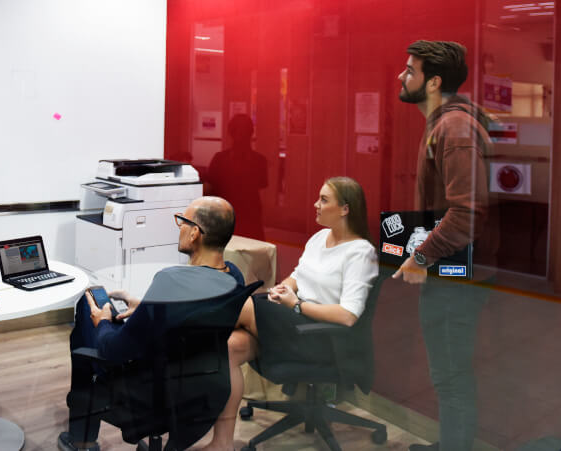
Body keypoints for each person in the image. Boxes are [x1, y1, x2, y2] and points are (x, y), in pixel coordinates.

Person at [201, 177, 378, 451]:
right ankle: (222, 443)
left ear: (345, 209)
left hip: (320, 338)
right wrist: (284, 288)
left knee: (237, 304)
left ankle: (174, 329)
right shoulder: (320, 238)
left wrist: (296, 305)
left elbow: (348, 316)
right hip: (293, 321)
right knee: (230, 347)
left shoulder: (361, 253)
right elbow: (299, 275)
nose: (316, 205)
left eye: (324, 200)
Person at [58, 196, 245, 451]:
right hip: (201, 388)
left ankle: (82, 439)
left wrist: (102, 322)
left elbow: (114, 350)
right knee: (106, 309)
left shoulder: (171, 280)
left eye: (182, 221)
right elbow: (188, 319)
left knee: (89, 302)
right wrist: (144, 307)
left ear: (194, 234)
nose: (178, 226)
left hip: (148, 389)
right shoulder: (234, 277)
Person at [391, 40, 494, 451]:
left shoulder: (454, 128)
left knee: (450, 374)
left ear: (433, 82)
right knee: (447, 371)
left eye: (409, 70)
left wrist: (420, 256)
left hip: (454, 275)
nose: (401, 76)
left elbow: (468, 212)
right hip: (450, 269)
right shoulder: (444, 124)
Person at [205, 114, 268, 240]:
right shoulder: (260, 160)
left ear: (230, 133)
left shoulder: (220, 159)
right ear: (251, 133)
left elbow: (208, 188)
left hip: (224, 216)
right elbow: (262, 185)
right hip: (251, 217)